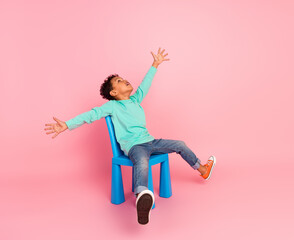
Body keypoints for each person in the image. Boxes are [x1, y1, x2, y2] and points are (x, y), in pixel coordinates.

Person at [44, 47, 216, 225]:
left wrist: (155, 65)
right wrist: (67, 124)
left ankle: (202, 169)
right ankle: (142, 196)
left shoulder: (135, 100)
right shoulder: (112, 106)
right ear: (113, 93)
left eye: (123, 78)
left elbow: (145, 85)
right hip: (134, 147)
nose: (124, 80)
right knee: (141, 162)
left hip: (152, 142)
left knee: (180, 144)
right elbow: (90, 115)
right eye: (119, 81)